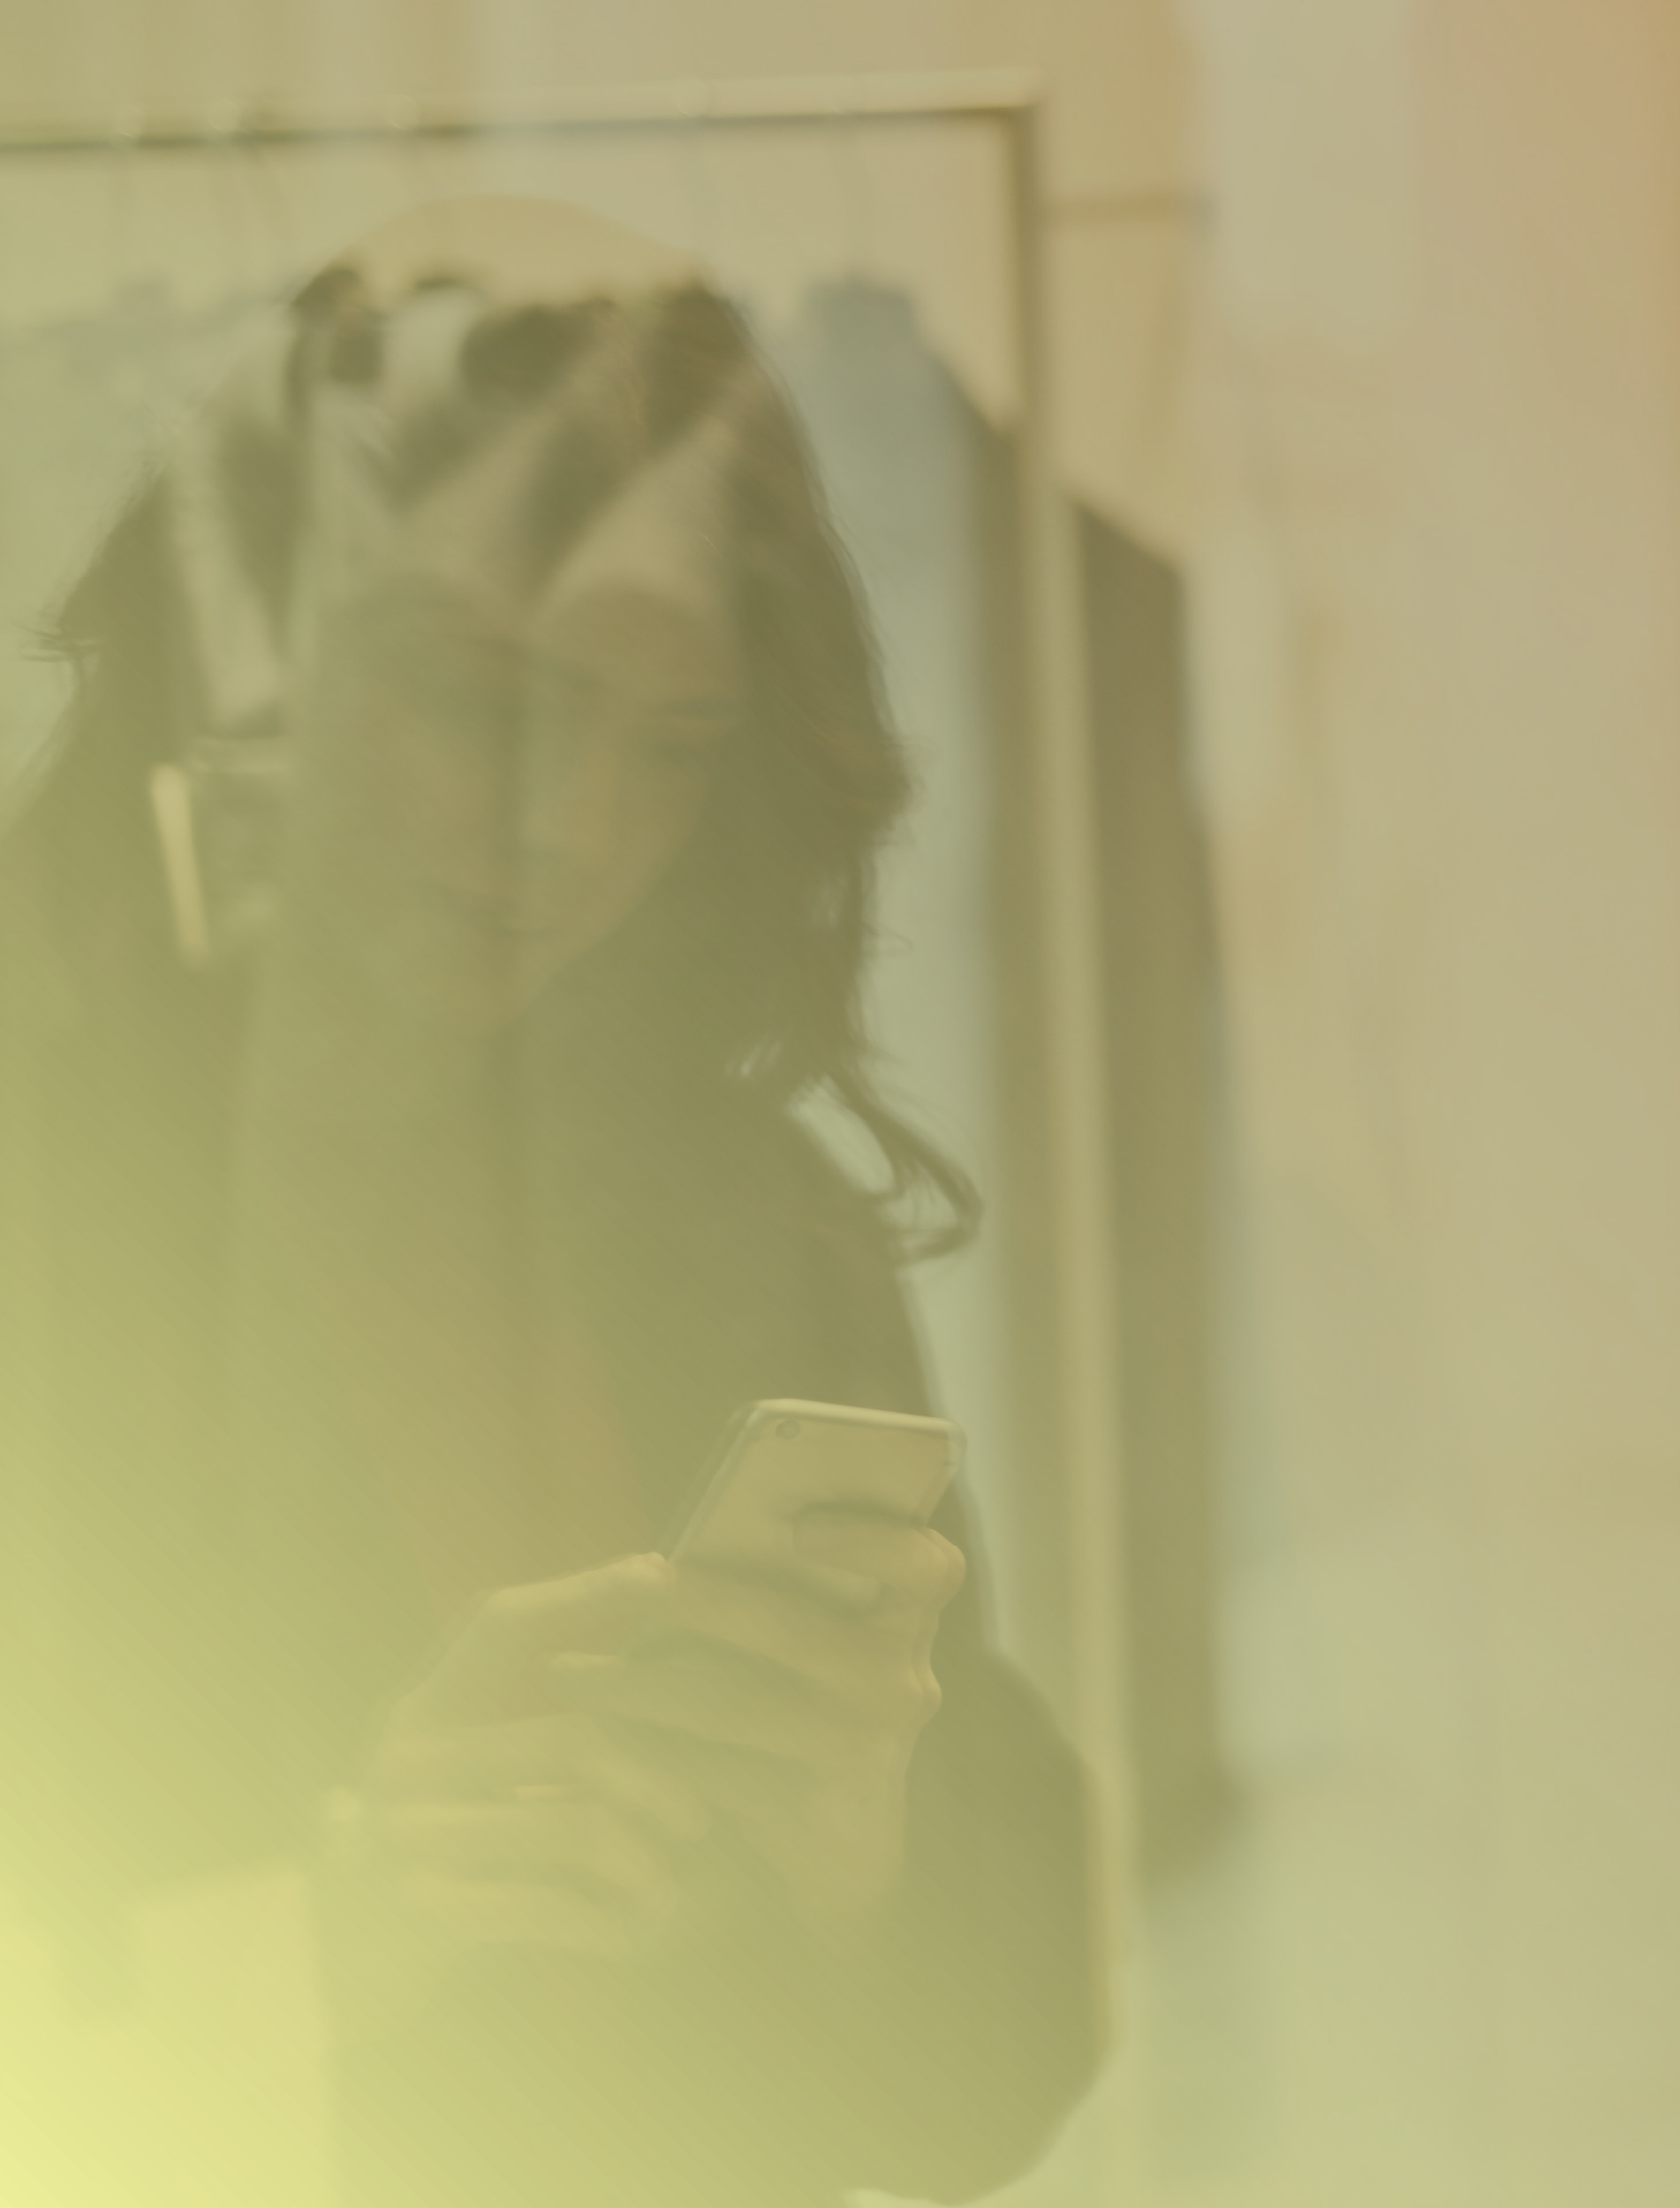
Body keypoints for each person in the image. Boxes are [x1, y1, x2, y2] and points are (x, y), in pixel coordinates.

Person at [0, 200, 1098, 2204]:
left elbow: (1014, 2046)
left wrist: (859, 1848)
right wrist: (338, 1931)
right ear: (261, 676)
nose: (565, 828)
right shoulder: (50, 1198)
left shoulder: (740, 1203)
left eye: (664, 742)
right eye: (471, 698)